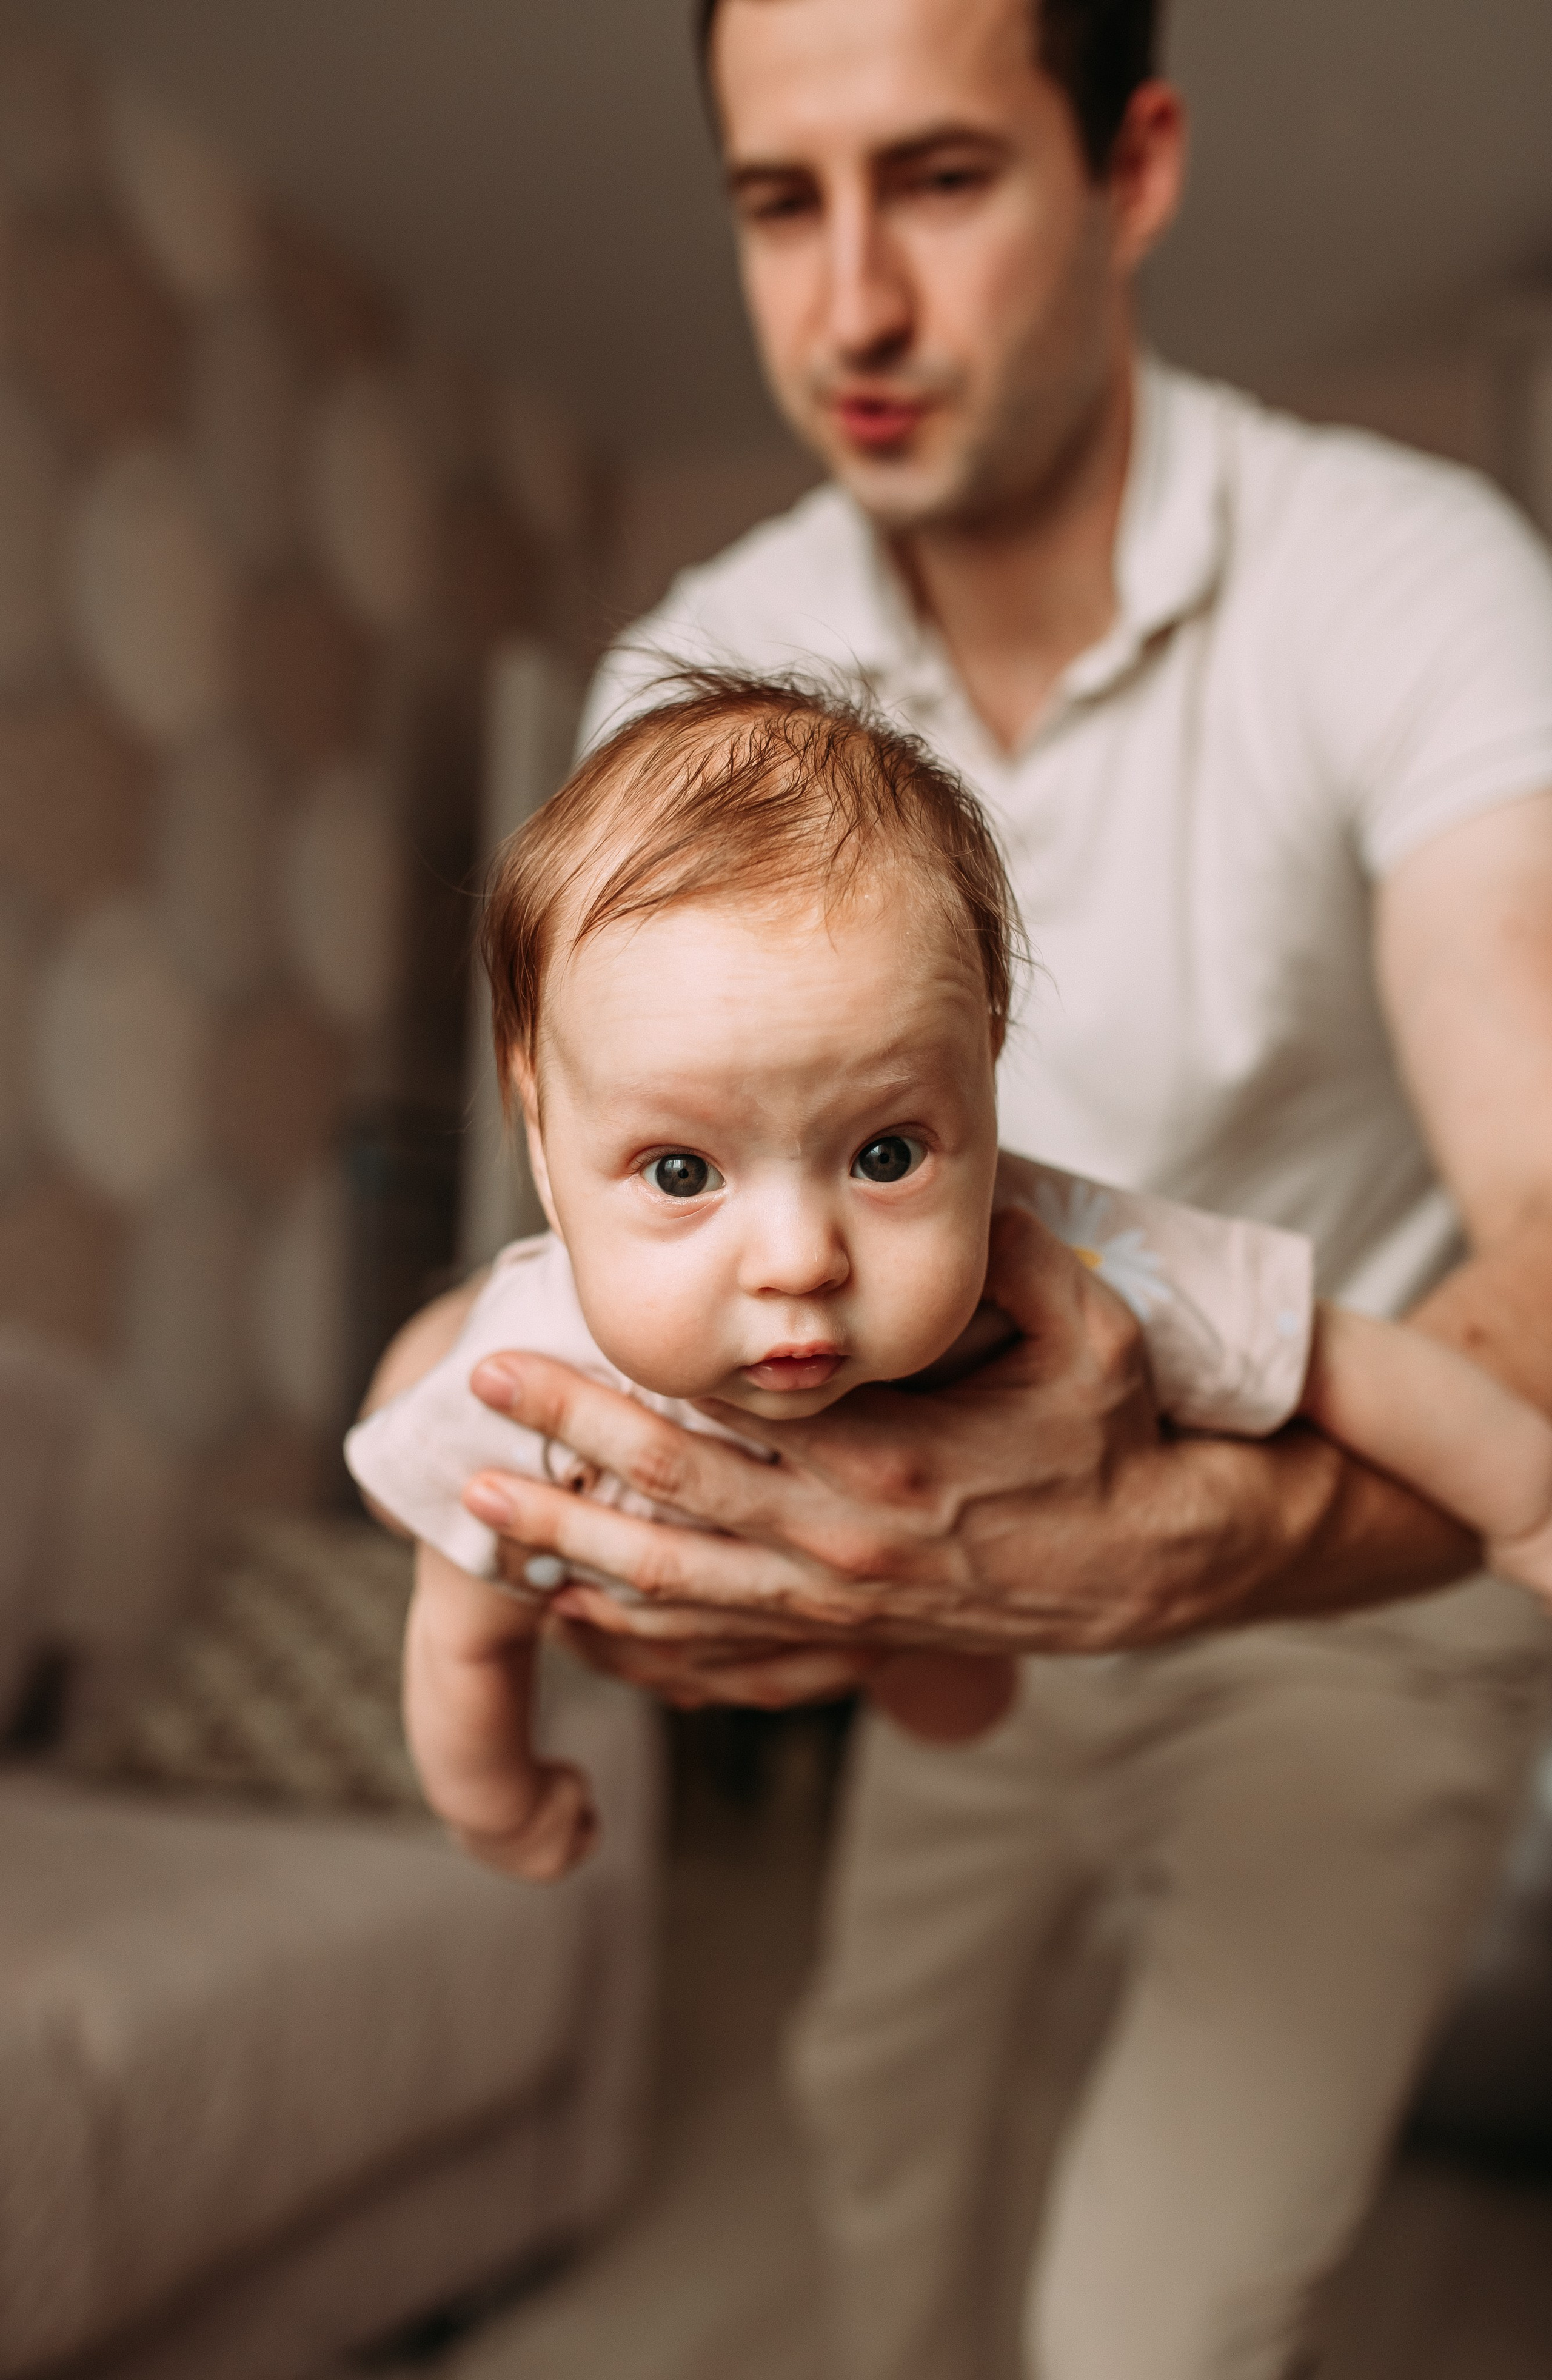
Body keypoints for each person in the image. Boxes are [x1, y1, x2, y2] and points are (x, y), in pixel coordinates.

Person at [369, 0, 1552, 2371]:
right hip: (949, 1611)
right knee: (872, 2111)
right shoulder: (690, 684)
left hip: (1350, 1584)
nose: (852, 311)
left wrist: (1231, 1527)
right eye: (777, 205)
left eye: (936, 179)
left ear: (1131, 165)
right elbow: (596, 1259)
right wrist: (613, 1550)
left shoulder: (1405, 576)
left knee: (1157, 2299)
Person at [353, 678, 1552, 1888]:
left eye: (884, 1155)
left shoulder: (1075, 1256)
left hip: (1004, 1626)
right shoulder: (522, 1371)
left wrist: (1522, 1502)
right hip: (742, 1596)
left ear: (983, 1062)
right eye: (681, 1172)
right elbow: (463, 1638)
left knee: (958, 1702)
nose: (796, 1262)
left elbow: (1332, 1356)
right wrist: (494, 1799)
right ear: (543, 1140)